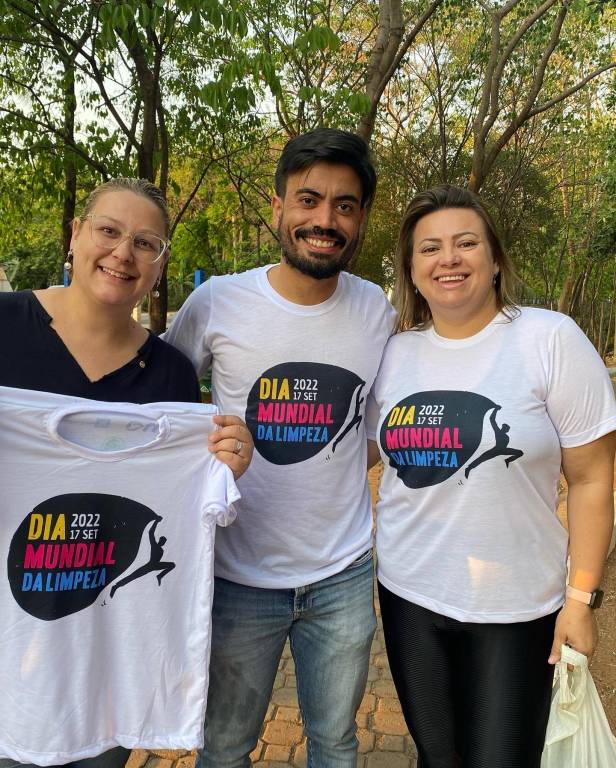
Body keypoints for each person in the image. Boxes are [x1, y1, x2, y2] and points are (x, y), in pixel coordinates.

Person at [0, 177, 252, 768]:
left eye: (145, 243)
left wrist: (225, 463)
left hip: (111, 669)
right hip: (13, 658)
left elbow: (188, 500)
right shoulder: (4, 325)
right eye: (108, 231)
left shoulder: (171, 374)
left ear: (160, 264)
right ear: (75, 234)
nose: (123, 253)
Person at [164, 128, 396, 767]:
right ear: (278, 207)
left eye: (344, 205)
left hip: (343, 573)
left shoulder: (376, 310)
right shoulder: (217, 302)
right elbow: (166, 409)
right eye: (308, 200)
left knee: (337, 743)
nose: (325, 221)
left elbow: (376, 427)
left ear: (361, 218)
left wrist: (331, 467)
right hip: (237, 576)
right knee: (225, 748)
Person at [366, 184, 616, 768]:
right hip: (409, 594)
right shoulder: (394, 353)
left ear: (495, 258)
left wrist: (581, 600)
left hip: (517, 607)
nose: (448, 259)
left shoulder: (549, 339)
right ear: (411, 270)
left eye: (466, 243)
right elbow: (367, 454)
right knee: (437, 756)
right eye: (429, 248)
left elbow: (593, 478)